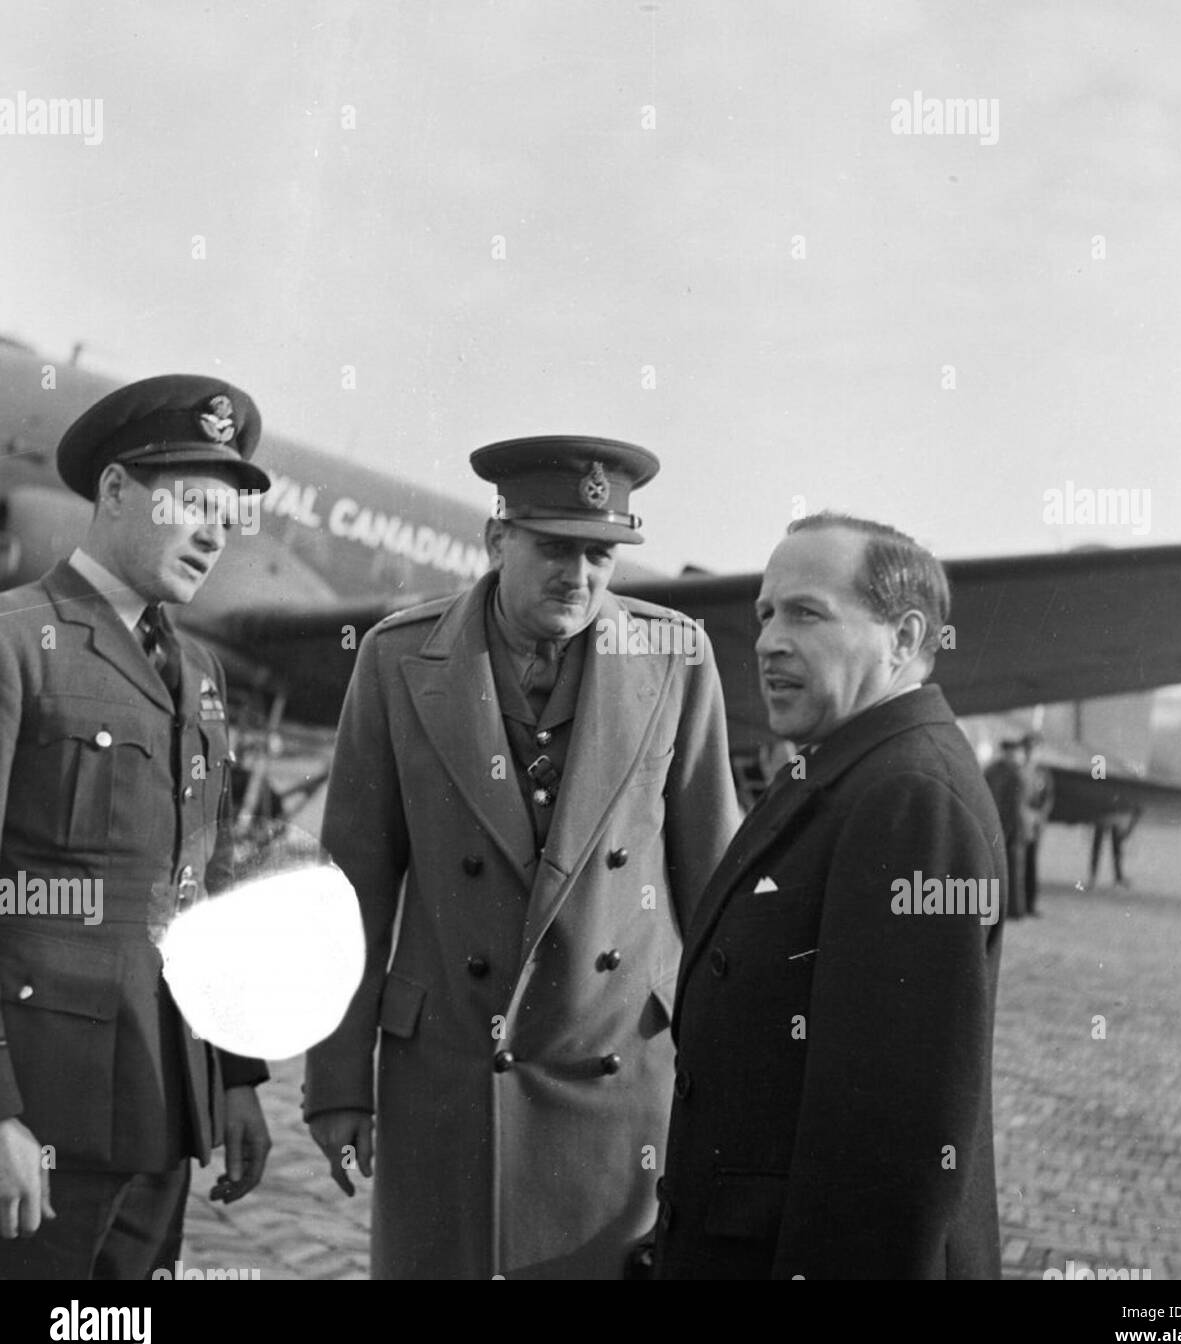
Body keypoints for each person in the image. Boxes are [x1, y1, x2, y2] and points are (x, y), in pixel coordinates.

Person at [304, 436, 739, 1279]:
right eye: (553, 548)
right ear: (497, 539)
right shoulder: (398, 661)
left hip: (614, 1082)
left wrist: (728, 1093)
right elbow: (350, 891)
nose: (577, 576)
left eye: (599, 554)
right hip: (450, 1080)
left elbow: (718, 892)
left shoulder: (675, 659)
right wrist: (337, 1083)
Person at [654, 513, 1004, 1280]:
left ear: (905, 639)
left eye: (807, 613)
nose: (769, 640)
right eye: (765, 614)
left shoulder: (911, 800)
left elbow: (889, 1148)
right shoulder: (848, 772)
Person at [0, 376, 272, 1279]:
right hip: (42, 1122)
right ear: (115, 490)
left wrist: (233, 1079)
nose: (214, 533)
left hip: (166, 1118)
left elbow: (211, 888)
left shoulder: (196, 673)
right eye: (192, 502)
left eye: (228, 518)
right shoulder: (16, 642)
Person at [984, 738, 1028, 920]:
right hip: (1003, 825)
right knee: (1007, 869)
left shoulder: (1001, 772)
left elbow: (1015, 806)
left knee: (1011, 869)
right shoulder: (1000, 772)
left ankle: (1014, 909)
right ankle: (1010, 908)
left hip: (1009, 827)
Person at [1020, 731, 1055, 917]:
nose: (1030, 752)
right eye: (1027, 749)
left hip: (1034, 823)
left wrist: (1041, 816)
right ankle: (1015, 904)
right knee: (1016, 863)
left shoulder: (1043, 773)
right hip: (1019, 822)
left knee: (1031, 863)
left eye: (1033, 749)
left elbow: (1048, 797)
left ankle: (1030, 903)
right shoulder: (1017, 771)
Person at [1088, 803, 1142, 888]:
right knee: (1110, 843)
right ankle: (1096, 876)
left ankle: (1095, 876)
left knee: (1108, 843)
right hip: (1109, 807)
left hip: (1108, 808)